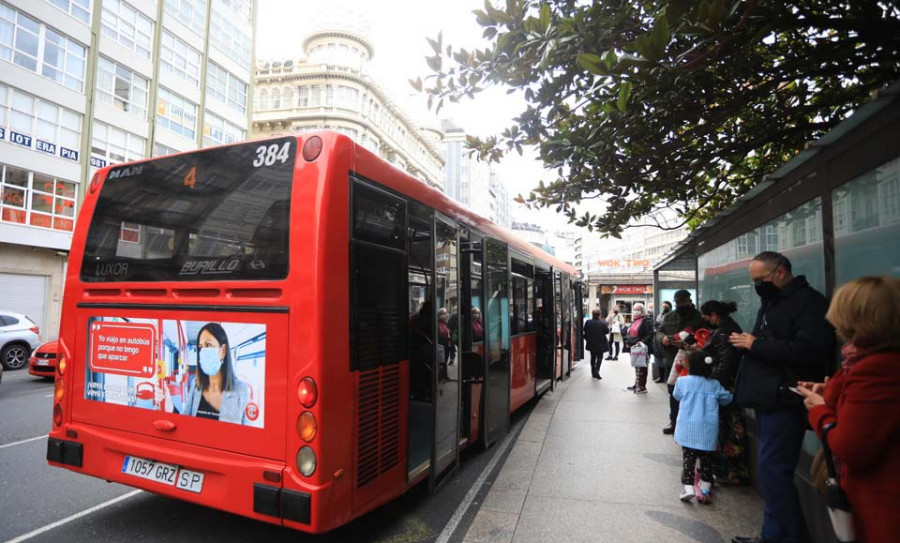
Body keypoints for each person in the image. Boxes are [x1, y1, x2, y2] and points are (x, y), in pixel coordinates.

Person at [729, 252, 834, 543]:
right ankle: (773, 534)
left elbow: (808, 350)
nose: (757, 286)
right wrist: (749, 345)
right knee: (771, 471)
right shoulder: (774, 301)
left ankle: (787, 537)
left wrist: (756, 345)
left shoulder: (809, 303)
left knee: (774, 470)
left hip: (785, 398)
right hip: (768, 397)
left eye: (760, 280)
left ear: (781, 272)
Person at [796, 276, 900, 543]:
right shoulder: (869, 361)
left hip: (880, 504)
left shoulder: (875, 368)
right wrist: (828, 391)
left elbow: (850, 446)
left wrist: (819, 410)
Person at [700, 300, 749, 485]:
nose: (706, 321)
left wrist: (712, 380)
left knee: (727, 427)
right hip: (728, 383)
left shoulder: (723, 331)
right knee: (729, 426)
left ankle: (730, 472)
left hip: (724, 386)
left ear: (713, 314)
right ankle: (732, 471)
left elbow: (725, 363)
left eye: (707, 317)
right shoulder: (729, 327)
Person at [673, 351, 733, 502]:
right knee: (706, 460)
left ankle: (688, 487)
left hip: (688, 428)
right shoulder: (714, 385)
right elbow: (726, 399)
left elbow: (676, 395)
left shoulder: (683, 381)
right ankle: (705, 487)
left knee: (689, 459)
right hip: (707, 429)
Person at [182, 323, 251, 425]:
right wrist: (170, 407)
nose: (203, 351)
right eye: (200, 347)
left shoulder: (241, 390)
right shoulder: (196, 385)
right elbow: (184, 421)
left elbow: (248, 434)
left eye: (208, 345)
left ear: (222, 351)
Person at [656, 290, 704, 434]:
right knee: (673, 393)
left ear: (690, 301)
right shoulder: (669, 315)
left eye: (684, 302)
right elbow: (659, 331)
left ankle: (689, 423)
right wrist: (662, 338)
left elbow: (703, 334)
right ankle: (674, 421)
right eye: (678, 302)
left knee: (690, 393)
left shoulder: (698, 316)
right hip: (672, 359)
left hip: (691, 360)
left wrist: (687, 343)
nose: (681, 305)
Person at [624, 303, 655, 393]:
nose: (635, 311)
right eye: (634, 309)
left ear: (642, 310)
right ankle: (637, 384)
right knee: (637, 366)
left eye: (637, 309)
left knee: (642, 367)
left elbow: (650, 334)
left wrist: (642, 342)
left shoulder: (646, 321)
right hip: (634, 348)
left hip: (642, 348)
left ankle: (642, 386)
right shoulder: (635, 320)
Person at [583, 309, 609, 379]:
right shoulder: (602, 323)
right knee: (600, 357)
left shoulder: (588, 322)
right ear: (599, 315)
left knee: (593, 357)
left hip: (591, 343)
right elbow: (606, 331)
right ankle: (597, 370)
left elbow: (585, 330)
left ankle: (593, 371)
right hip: (600, 343)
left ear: (592, 314)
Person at [653, 301, 673, 382]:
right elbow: (656, 324)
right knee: (659, 359)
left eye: (666, 306)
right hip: (659, 339)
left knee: (668, 359)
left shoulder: (672, 315)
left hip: (667, 338)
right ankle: (661, 377)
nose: (664, 308)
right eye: (663, 306)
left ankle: (667, 377)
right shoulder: (659, 315)